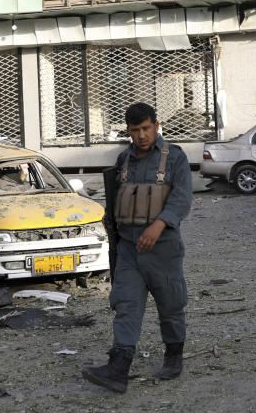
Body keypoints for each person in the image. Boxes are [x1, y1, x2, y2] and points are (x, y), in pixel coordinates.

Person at [82, 102, 193, 394]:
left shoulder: (174, 158)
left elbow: (181, 199)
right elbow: (116, 200)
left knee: (170, 304)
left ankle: (173, 355)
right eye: (135, 130)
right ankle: (118, 368)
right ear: (129, 131)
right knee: (126, 305)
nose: (142, 135)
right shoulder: (124, 160)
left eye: (146, 128)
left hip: (163, 247)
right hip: (130, 248)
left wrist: (158, 226)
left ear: (156, 126)